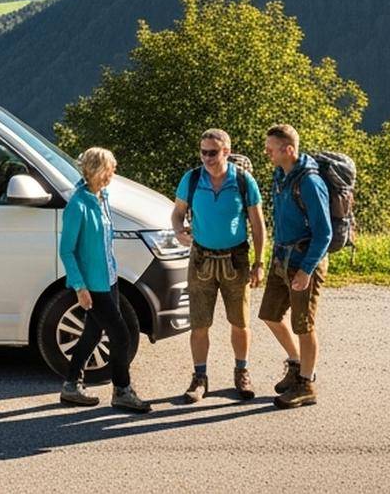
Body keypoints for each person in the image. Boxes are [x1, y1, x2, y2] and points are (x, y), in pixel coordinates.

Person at [170, 129, 265, 402]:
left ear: (226, 152)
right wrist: (178, 231)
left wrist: (259, 263)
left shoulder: (244, 181)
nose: (207, 158)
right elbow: (177, 213)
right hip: (201, 258)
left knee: (240, 322)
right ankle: (199, 378)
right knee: (199, 324)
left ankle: (242, 372)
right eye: (203, 152)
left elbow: (258, 225)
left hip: (236, 258)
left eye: (212, 152)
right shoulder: (192, 178)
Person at [56, 146, 150, 413]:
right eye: (111, 166)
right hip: (93, 286)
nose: (115, 170)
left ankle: (71, 385)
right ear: (98, 169)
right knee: (121, 336)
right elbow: (67, 250)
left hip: (109, 279)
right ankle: (122, 390)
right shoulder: (78, 205)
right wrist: (79, 287)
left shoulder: (102, 197)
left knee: (93, 332)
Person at [259, 123, 331, 408]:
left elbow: (324, 233)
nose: (267, 153)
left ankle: (306, 384)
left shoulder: (310, 183)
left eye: (271, 148)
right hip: (281, 259)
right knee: (270, 314)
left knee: (304, 325)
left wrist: (306, 270)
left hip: (302, 261)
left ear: (288, 149)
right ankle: (297, 363)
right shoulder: (281, 174)